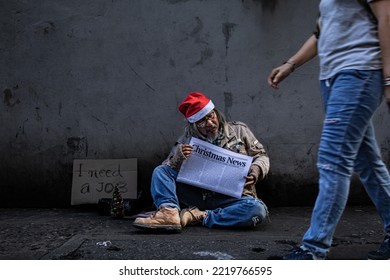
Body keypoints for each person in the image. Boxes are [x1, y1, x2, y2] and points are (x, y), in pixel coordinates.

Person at [267, 0, 390, 260]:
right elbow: (322, 32)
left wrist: (389, 78)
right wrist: (290, 64)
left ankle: (314, 248)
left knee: (333, 161)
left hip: (359, 73)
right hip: (333, 78)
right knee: (366, 161)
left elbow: (386, 16)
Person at [133, 92, 270, 231]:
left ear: (216, 113)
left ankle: (200, 216)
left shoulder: (239, 130)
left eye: (211, 116)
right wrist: (177, 159)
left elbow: (261, 156)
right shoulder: (185, 141)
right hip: (198, 197)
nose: (209, 124)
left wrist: (256, 170)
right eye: (202, 121)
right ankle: (169, 213)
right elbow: (166, 172)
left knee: (257, 210)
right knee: (160, 171)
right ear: (194, 125)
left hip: (231, 199)